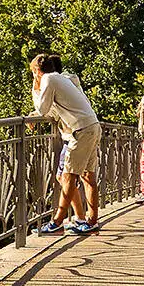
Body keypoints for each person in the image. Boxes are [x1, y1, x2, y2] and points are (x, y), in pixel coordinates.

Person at [32, 52, 102, 232]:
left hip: (81, 131)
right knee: (88, 176)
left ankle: (57, 223)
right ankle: (91, 221)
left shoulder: (48, 79)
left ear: (38, 71)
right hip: (91, 125)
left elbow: (42, 109)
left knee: (68, 176)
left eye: (33, 72)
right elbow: (53, 110)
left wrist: (35, 87)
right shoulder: (60, 79)